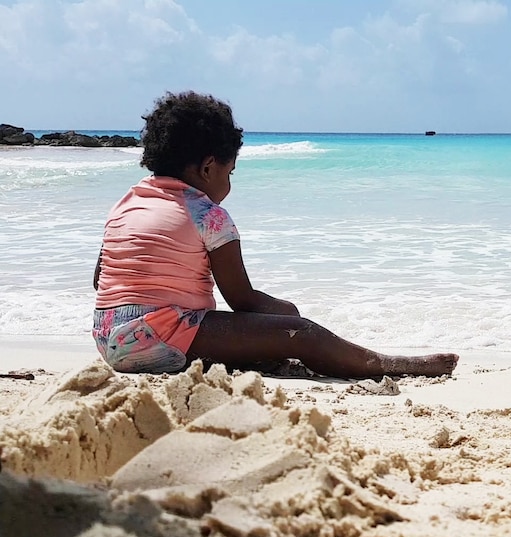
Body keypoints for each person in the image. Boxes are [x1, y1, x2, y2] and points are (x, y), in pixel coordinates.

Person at [92, 91, 459, 379]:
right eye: (229, 172)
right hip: (158, 339)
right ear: (208, 167)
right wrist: (288, 313)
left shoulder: (124, 204)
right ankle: (387, 363)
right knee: (299, 331)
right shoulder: (209, 216)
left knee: (256, 331)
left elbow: (100, 281)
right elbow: (242, 300)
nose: (229, 183)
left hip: (107, 338)